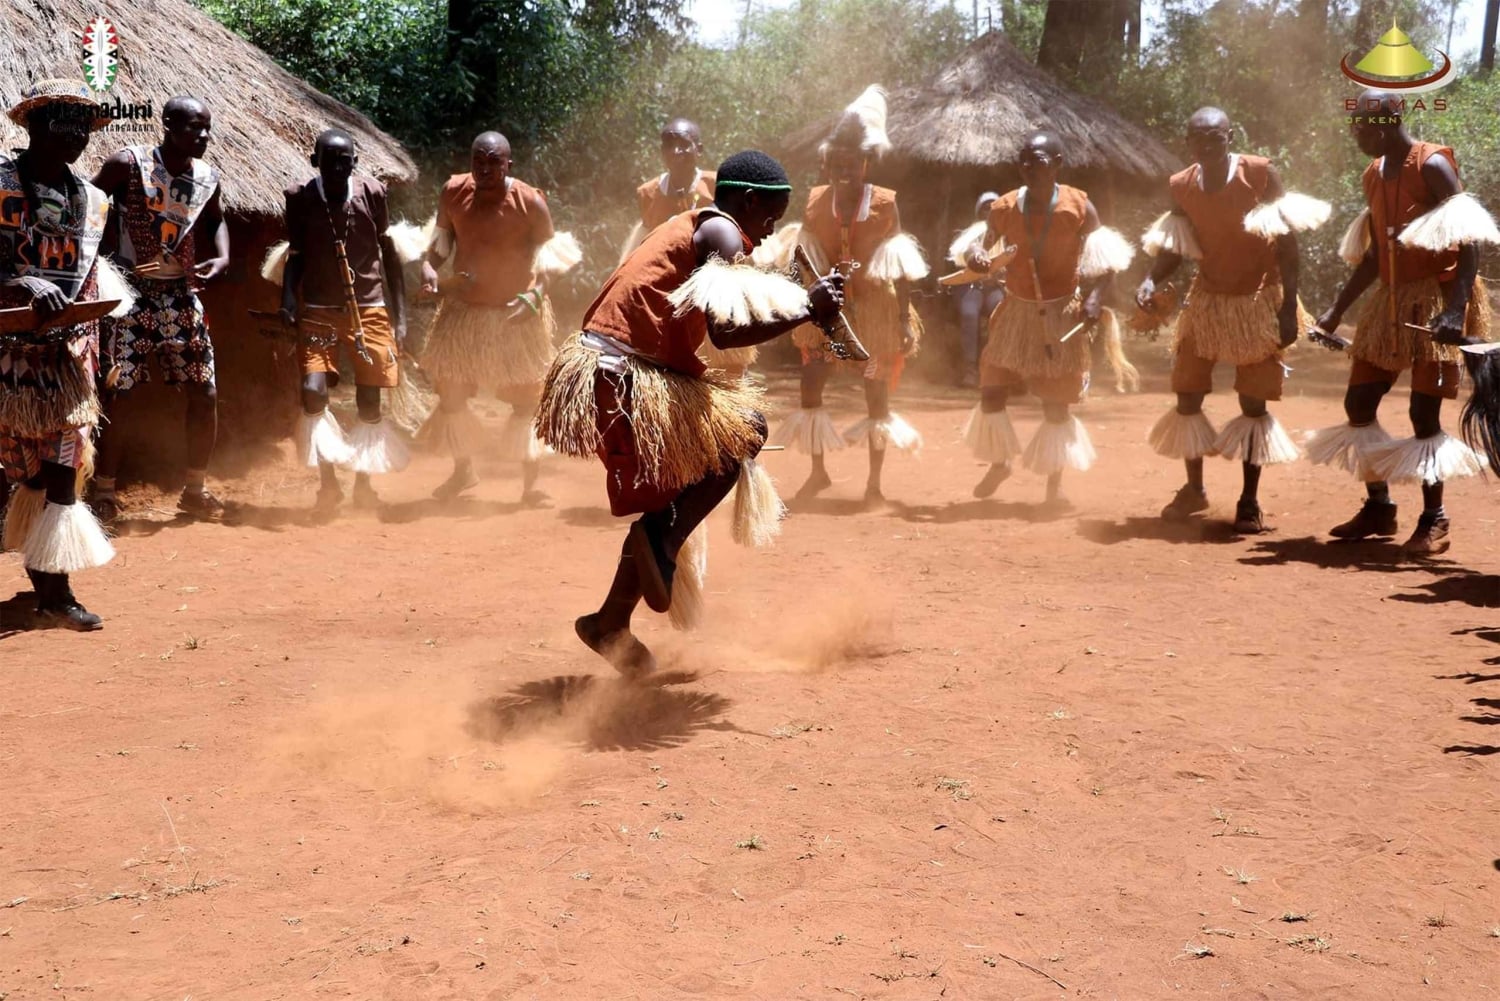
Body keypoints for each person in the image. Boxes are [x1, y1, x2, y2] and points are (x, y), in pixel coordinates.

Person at [535, 150, 845, 677]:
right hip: (622, 370)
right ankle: (660, 544)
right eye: (770, 216)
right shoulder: (722, 230)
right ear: (747, 201)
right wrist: (805, 309)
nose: (770, 231)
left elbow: (726, 314)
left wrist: (798, 300)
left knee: (682, 487)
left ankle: (611, 619)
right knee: (744, 432)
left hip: (617, 368)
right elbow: (725, 332)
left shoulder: (701, 229)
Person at [1306, 90, 1494, 555]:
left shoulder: (1431, 165)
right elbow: (1376, 255)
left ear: (1388, 124)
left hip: (1440, 298)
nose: (1356, 138)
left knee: (1423, 412)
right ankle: (1379, 506)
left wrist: (1454, 311)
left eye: (1363, 130)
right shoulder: (1374, 174)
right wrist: (1336, 309)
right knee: (1359, 401)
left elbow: (1470, 241)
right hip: (1390, 302)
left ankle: (1435, 519)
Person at [1137, 106, 1325, 533]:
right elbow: (1175, 247)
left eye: (1214, 137)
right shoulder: (1181, 185)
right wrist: (1150, 279)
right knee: (1187, 393)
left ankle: (1249, 500)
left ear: (1230, 136)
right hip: (1207, 299)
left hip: (1257, 299)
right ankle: (1195, 491)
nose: (1205, 145)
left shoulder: (1259, 175)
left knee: (1252, 402)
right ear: (1188, 142)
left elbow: (1288, 246)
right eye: (1197, 138)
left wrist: (1288, 307)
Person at [0, 80, 124, 629]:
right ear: (31, 125)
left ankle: (56, 593)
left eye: (82, 125)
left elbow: (92, 278)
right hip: (5, 357)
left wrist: (100, 347)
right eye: (61, 122)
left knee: (59, 473)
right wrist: (20, 278)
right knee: (19, 475)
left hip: (65, 362)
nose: (74, 136)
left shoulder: (93, 201)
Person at [957, 131, 1136, 507]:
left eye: (1038, 161)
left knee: (1056, 403)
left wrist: (1095, 299)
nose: (1029, 168)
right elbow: (981, 243)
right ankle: (1000, 461)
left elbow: (1109, 266)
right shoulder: (1004, 207)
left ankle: (1054, 491)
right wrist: (975, 255)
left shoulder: (1079, 207)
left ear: (1056, 164)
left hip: (1060, 313)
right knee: (991, 387)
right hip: (1016, 311)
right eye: (1023, 161)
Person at [771, 86, 929, 505]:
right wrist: (798, 304)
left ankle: (874, 485)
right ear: (827, 162)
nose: (845, 169)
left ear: (867, 161)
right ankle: (818, 472)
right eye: (837, 161)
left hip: (875, 310)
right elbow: (803, 260)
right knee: (811, 381)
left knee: (875, 389)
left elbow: (901, 270)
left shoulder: (885, 204)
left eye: (853, 161)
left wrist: (900, 321)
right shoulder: (816, 203)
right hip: (826, 310)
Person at [418, 131, 580, 504]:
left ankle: (530, 485)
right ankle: (463, 472)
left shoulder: (530, 202)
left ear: (509, 164)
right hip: (463, 312)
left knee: (526, 397)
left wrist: (535, 295)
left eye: (494, 162)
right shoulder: (453, 192)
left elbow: (550, 262)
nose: (485, 169)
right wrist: (429, 266)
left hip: (516, 313)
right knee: (450, 390)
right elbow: (440, 244)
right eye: (479, 161)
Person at [91, 96, 229, 522]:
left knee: (204, 392)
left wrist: (222, 256)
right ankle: (105, 493)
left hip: (181, 295)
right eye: (193, 127)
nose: (202, 136)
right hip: (131, 294)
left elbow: (216, 221)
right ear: (167, 124)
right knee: (122, 392)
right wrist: (102, 262)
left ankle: (195, 490)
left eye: (206, 128)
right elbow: (88, 208)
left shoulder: (207, 177)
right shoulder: (127, 164)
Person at [279, 129, 410, 512]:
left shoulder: (372, 193)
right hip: (319, 312)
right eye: (330, 159)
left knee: (369, 400)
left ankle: (363, 485)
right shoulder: (300, 198)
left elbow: (390, 256)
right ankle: (328, 484)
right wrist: (288, 300)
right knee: (314, 391)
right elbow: (296, 255)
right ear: (314, 160)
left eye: (345, 160)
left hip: (369, 311)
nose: (339, 167)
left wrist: (399, 317)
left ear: (355, 161)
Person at [950, 191, 1004, 388]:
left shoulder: (1007, 233)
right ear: (978, 211)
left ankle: (999, 367)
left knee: (1002, 313)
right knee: (969, 314)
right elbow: (968, 251)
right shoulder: (971, 234)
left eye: (993, 207)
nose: (989, 210)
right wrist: (976, 255)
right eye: (985, 207)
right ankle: (970, 369)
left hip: (995, 287)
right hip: (971, 286)